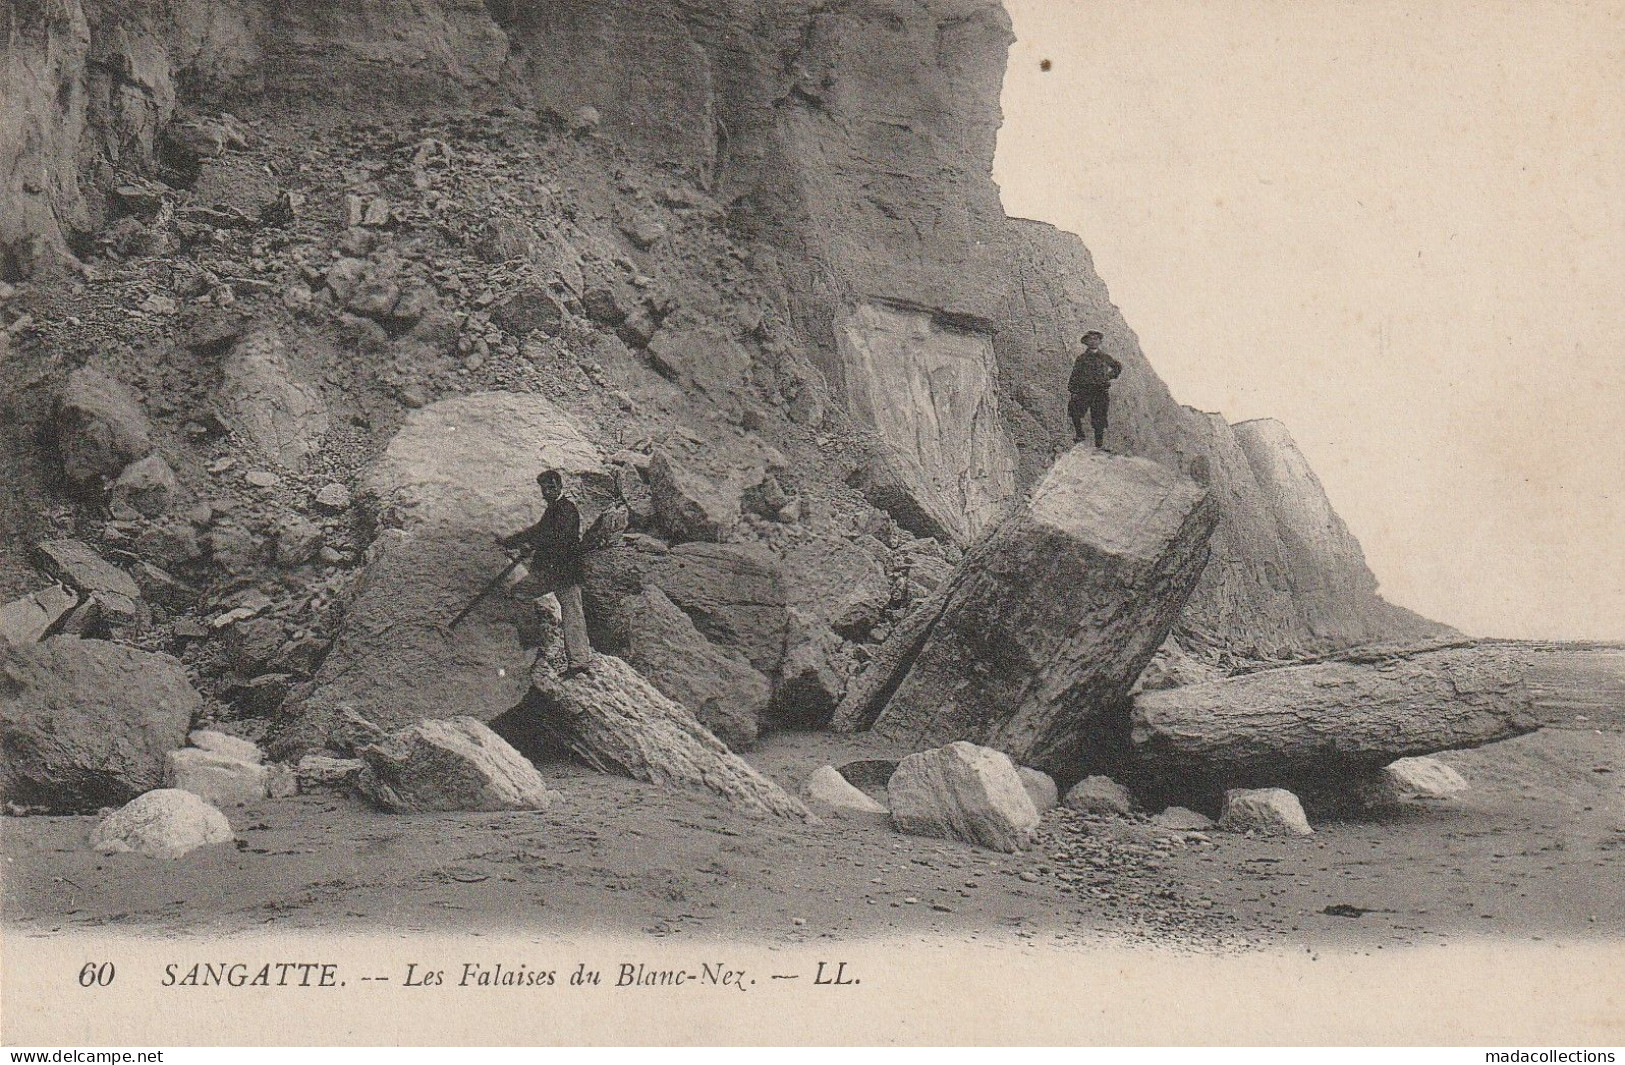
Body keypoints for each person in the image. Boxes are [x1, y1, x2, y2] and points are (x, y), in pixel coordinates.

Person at [500, 469, 593, 675]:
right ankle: (575, 659)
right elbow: (538, 531)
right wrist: (511, 541)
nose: (548, 492)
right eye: (545, 489)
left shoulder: (567, 510)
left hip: (561, 570)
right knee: (570, 612)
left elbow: (558, 538)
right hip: (558, 571)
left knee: (525, 595)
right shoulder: (553, 510)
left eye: (551, 487)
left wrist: (531, 545)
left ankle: (542, 647)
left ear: (559, 487)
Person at [1067, 329, 1123, 449]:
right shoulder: (1081, 358)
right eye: (1090, 339)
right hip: (1085, 390)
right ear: (1086, 342)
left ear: (1099, 341)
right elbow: (1075, 374)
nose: (1093, 341)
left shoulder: (1105, 357)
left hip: (1100, 391)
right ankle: (1080, 435)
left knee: (1099, 417)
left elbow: (1117, 367)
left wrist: (1109, 376)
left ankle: (1099, 445)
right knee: (1074, 410)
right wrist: (1073, 390)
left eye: (1096, 339)